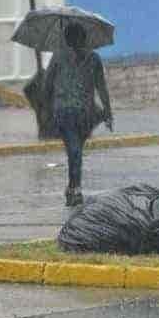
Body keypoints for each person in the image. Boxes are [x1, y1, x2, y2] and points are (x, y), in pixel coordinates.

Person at [44, 22, 113, 206]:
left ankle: (74, 186)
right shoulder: (59, 57)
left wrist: (108, 112)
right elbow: (48, 84)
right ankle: (75, 188)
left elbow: (101, 86)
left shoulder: (93, 59)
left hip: (84, 114)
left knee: (76, 150)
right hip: (65, 112)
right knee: (74, 150)